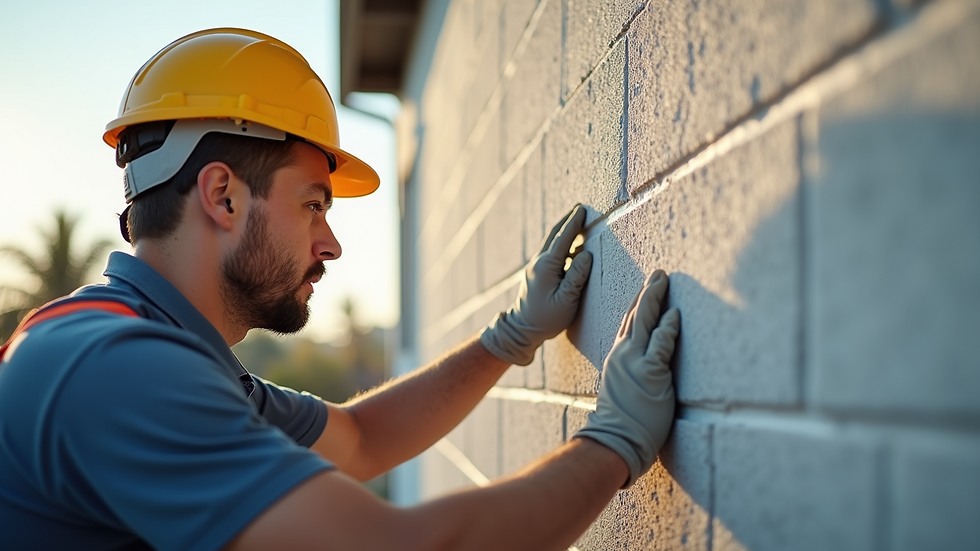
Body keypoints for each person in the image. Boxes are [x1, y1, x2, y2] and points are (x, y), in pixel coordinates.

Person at [0, 28, 681, 550]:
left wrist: (509, 338)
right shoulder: (117, 370)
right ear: (223, 196)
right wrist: (613, 444)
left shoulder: (148, 346)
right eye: (313, 205)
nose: (331, 243)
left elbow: (360, 439)